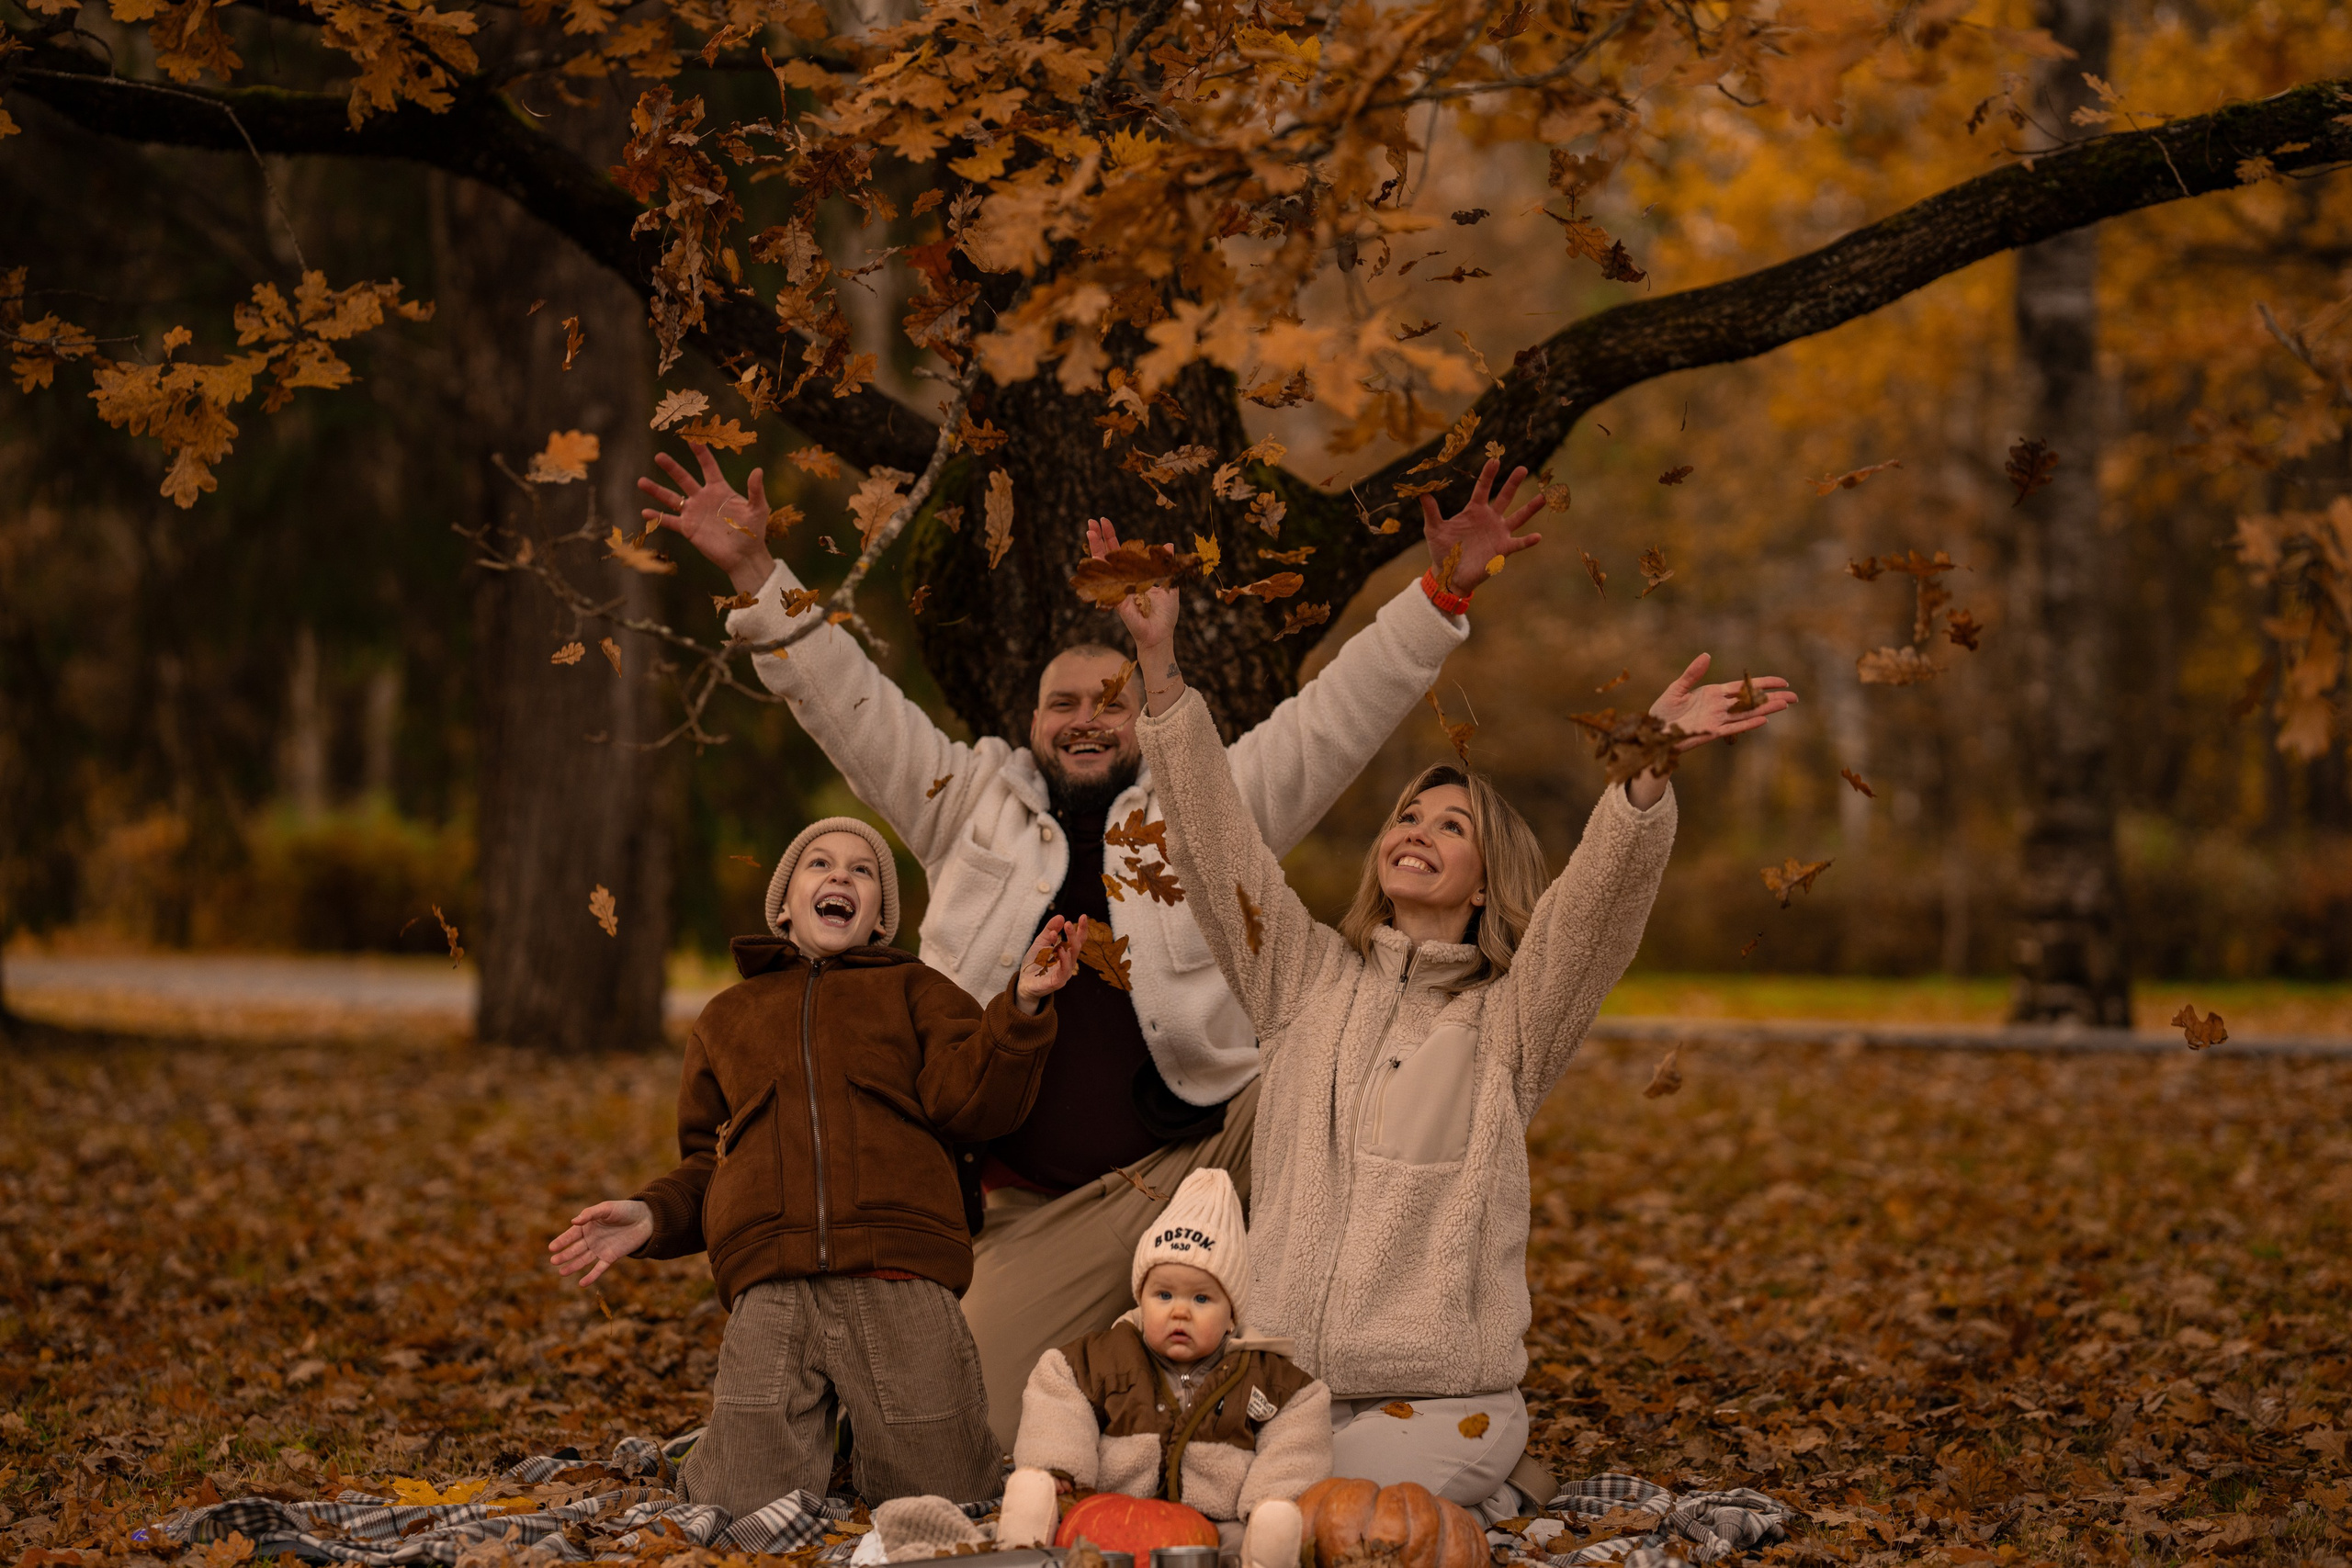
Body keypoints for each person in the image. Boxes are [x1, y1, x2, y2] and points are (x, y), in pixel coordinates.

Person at [637, 442, 1544, 1449]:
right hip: (1038, 1210)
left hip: (1208, 1159)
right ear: (1027, 723)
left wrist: (1438, 595)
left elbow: (1337, 718)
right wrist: (760, 578)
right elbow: (848, 704)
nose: (1086, 721)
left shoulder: (1212, 807)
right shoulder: (963, 805)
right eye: (1062, 704)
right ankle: (1114, 1382)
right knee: (964, 1420)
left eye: (1111, 703)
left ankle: (1410, 1372)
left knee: (1344, 1056)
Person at [1105, 545, 1797, 1519]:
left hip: (1434, 1397)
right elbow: (1221, 853)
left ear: (1486, 881)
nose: (1416, 830)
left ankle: (1485, 1479)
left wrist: (1646, 767)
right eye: (1406, 815)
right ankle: (1486, 1500)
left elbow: (1591, 913)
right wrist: (1160, 671)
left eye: (1450, 825)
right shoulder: (1302, 980)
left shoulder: (1511, 1019)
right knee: (1201, 1505)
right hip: (1281, 1387)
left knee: (1321, 1524)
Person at [545, 816, 1085, 1517]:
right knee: (736, 1503)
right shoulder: (728, 1018)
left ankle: (868, 1438)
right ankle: (731, 1442)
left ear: (880, 919)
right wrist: (652, 1215)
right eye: (819, 864)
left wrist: (1022, 1005)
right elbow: (709, 1163)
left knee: (949, 1496)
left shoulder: (917, 993)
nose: (840, 876)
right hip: (773, 1282)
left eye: (862, 871)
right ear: (783, 906)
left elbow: (974, 1101)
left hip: (898, 1271)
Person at [1004, 1168, 1330, 1550]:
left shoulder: (1264, 1376)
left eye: (1201, 1299)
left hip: (1217, 1523)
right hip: (1115, 1514)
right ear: (1140, 1297)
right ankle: (1026, 1541)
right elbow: (1058, 1396)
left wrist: (1270, 1499)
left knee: (1244, 1541)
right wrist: (1058, 1464)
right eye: (1163, 1295)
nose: (1180, 1312)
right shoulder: (1103, 1359)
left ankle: (1267, 1546)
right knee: (1071, 1530)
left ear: (1232, 1317)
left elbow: (1298, 1434)